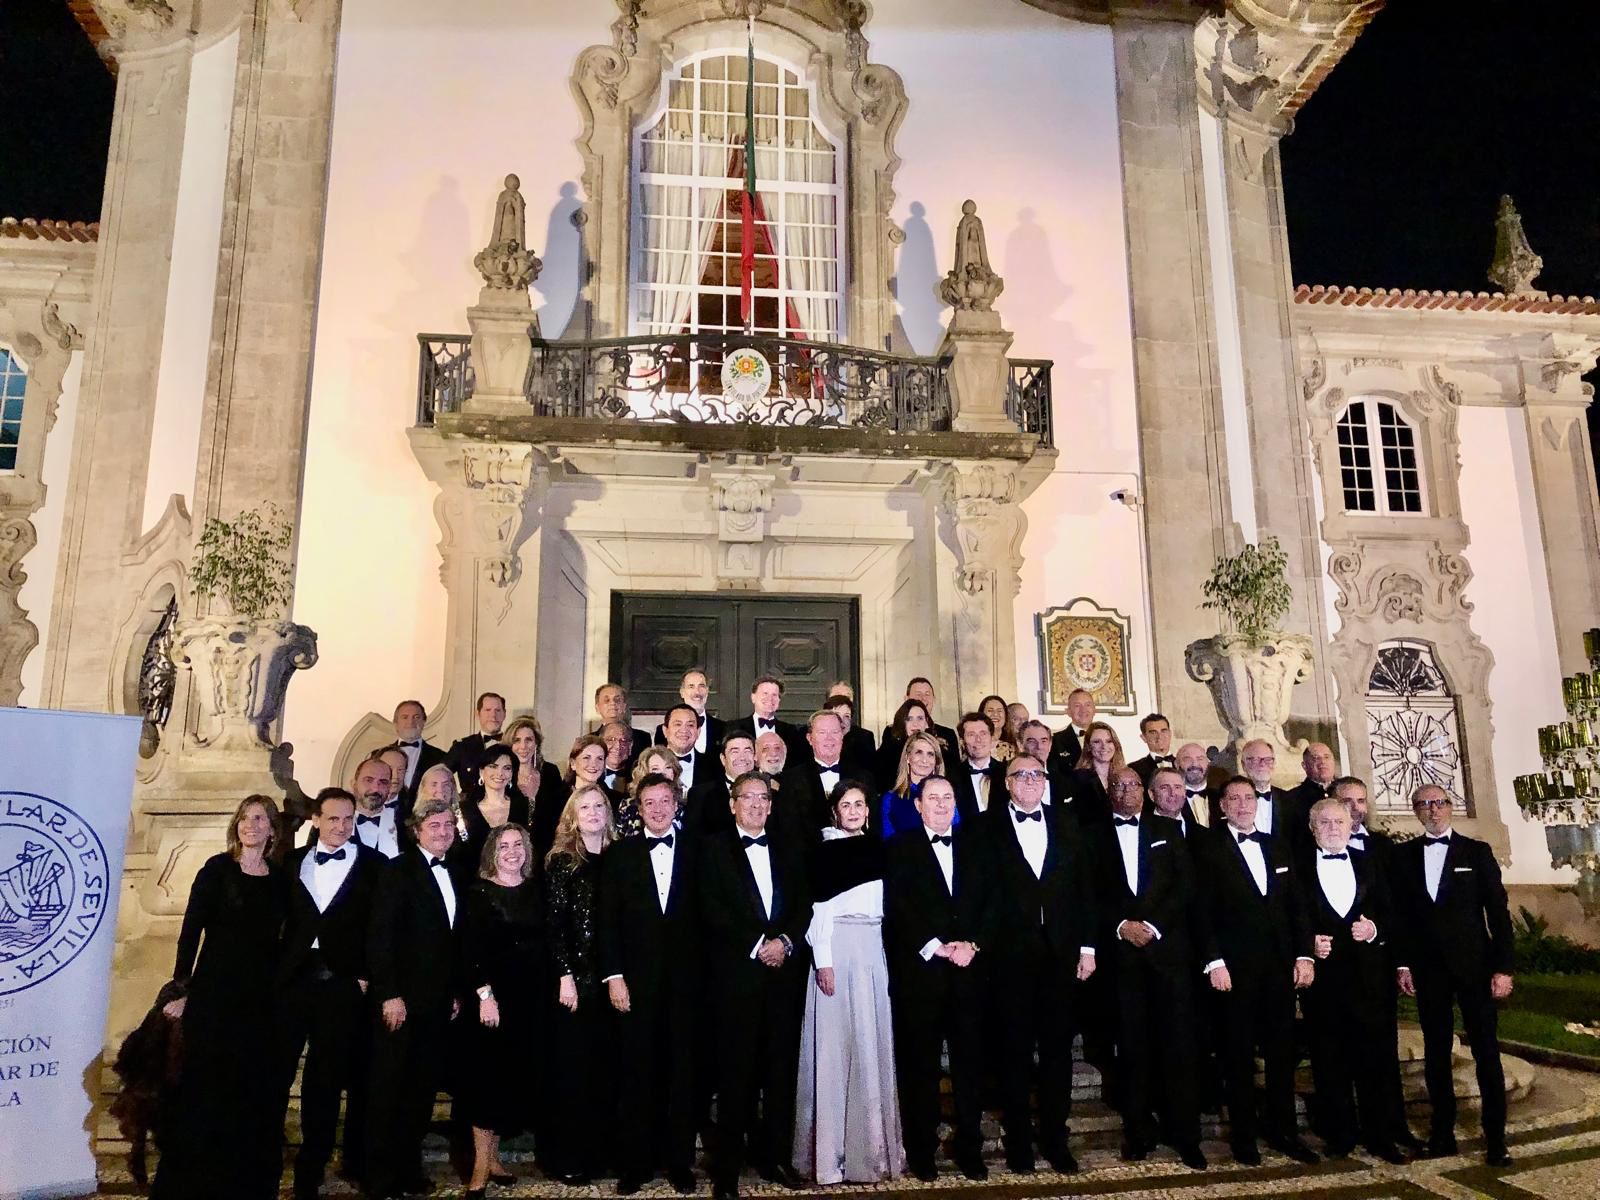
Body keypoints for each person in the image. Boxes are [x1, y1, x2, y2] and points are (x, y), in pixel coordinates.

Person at [151, 796, 288, 1200]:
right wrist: (181, 989)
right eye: (245, 818)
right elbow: (191, 931)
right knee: (204, 1087)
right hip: (214, 994)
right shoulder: (216, 869)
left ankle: (237, 1180)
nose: (250, 824)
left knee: (247, 1089)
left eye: (259, 818)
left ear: (272, 829)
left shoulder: (280, 880)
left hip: (259, 999)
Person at [1193, 777, 1318, 1166]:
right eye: (1235, 798)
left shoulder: (1277, 844)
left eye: (1249, 798)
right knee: (1238, 1057)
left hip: (1279, 971)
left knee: (1281, 1057)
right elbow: (1200, 911)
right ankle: (1244, 1138)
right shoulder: (1206, 847)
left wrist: (1304, 956)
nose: (1244, 804)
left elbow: (1297, 908)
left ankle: (1284, 1133)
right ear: (1223, 806)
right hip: (1234, 972)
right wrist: (1214, 961)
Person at [697, 772, 810, 1199]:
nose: (757, 806)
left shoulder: (788, 845)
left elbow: (803, 904)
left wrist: (784, 942)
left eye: (764, 798)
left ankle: (775, 1157)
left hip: (783, 977)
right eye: (748, 798)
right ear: (732, 804)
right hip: (735, 980)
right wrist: (755, 944)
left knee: (780, 1073)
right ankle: (726, 1169)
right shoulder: (712, 850)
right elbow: (711, 908)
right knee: (735, 1076)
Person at [984, 755, 1097, 1175]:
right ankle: (1018, 1143)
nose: (1030, 781)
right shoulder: (986, 827)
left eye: (1037, 774)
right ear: (1008, 783)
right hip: (1010, 957)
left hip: (1061, 956)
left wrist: (1088, 948)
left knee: (1056, 1054)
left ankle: (1054, 1137)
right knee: (1012, 1054)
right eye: (1021, 775)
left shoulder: (1068, 823)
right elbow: (982, 895)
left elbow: (1085, 890)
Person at [1391, 784, 1515, 1166]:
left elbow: (1498, 914)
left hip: (1475, 970)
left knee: (1486, 1052)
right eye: (1423, 804)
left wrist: (1503, 967)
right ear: (1416, 811)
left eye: (1439, 803)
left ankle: (1496, 1138)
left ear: (1451, 807)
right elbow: (1400, 919)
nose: (1432, 810)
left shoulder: (1476, 853)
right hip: (1429, 972)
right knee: (1436, 1053)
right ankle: (1443, 1132)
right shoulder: (1403, 857)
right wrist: (1403, 964)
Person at [1090, 767, 1206, 1170]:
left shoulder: (1170, 829)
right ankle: (1138, 1132)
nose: (1126, 790)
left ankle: (1186, 1135)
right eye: (1118, 785)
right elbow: (1088, 892)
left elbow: (1185, 887)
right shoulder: (1093, 833)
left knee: (1178, 1048)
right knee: (1132, 1050)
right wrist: (1122, 926)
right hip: (1121, 960)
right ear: (1110, 791)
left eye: (1133, 785)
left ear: (1145, 791)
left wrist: (1153, 927)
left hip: (1168, 956)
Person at [277, 788, 385, 1200]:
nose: (341, 827)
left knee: (324, 1082)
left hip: (343, 986)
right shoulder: (290, 864)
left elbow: (378, 930)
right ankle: (265, 1160)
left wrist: (363, 976)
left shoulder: (374, 867)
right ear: (317, 820)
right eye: (333, 819)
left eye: (348, 819)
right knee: (278, 1073)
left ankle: (312, 1165)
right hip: (293, 983)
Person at [883, 775, 993, 1182]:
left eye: (948, 798)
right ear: (918, 806)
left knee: (969, 1067)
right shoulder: (898, 848)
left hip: (969, 973)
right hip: (923, 974)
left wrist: (973, 944)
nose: (942, 804)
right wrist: (934, 946)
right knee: (920, 1068)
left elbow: (992, 902)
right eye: (934, 798)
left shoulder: (977, 846)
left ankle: (970, 1148)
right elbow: (898, 907)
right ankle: (922, 1149)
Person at [793, 781, 903, 1185]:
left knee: (869, 1045)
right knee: (835, 1049)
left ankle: (867, 1154)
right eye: (846, 804)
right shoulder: (825, 850)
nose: (854, 810)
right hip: (837, 949)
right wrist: (824, 961)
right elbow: (818, 908)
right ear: (834, 811)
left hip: (872, 950)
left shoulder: (879, 848)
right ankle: (831, 1157)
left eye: (860, 804)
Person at [364, 797, 472, 1200]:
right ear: (418, 831)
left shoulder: (458, 873)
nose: (443, 832)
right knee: (387, 1090)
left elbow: (456, 941)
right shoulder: (398, 870)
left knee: (420, 1094)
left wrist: (458, 993)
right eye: (435, 826)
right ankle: (378, 1176)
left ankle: (409, 1170)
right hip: (401, 1001)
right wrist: (389, 993)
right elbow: (381, 936)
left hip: (439, 1003)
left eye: (448, 825)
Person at [600, 775, 700, 1196]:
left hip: (686, 985)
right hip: (635, 984)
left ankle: (679, 1164)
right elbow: (607, 922)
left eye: (664, 801)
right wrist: (614, 976)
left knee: (682, 1076)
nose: (657, 809)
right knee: (636, 1074)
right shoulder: (619, 855)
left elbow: (710, 918)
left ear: (676, 804)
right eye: (649, 803)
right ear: (638, 809)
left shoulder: (699, 851)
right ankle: (635, 1166)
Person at [1299, 798, 1404, 1163]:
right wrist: (1308, 942)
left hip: (1369, 981)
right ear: (1313, 829)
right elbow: (1287, 916)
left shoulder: (1370, 863)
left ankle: (1381, 1137)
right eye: (1324, 822)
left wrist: (1374, 928)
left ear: (1350, 826)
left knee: (1374, 1062)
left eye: (1338, 822)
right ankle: (1340, 1135)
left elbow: (1394, 914)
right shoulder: (1297, 869)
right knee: (1329, 1061)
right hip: (1323, 984)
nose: (1332, 828)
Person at [459, 823, 546, 1198]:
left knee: (509, 1081)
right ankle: (479, 1164)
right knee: (485, 1083)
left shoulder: (535, 891)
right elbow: (469, 949)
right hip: (491, 1001)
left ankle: (494, 1158)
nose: (512, 851)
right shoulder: (478, 893)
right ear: (492, 852)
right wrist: (484, 995)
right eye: (504, 846)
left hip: (528, 1001)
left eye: (518, 844)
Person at [544, 785, 619, 1184]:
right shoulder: (561, 861)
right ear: (572, 815)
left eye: (598, 806)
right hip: (575, 980)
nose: (592, 812)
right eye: (584, 806)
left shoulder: (621, 856)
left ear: (608, 812)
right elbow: (554, 927)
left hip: (613, 979)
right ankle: (568, 1156)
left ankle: (600, 1153)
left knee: (605, 1070)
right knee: (573, 1072)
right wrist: (564, 975)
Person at [778, 709, 848, 842]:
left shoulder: (863, 777)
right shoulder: (791, 779)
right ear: (809, 738)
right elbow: (788, 829)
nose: (829, 738)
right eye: (822, 733)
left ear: (842, 736)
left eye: (835, 732)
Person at [459, 744, 529, 866]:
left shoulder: (526, 806)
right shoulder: (464, 810)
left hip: (518, 879)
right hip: (475, 881)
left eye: (506, 768)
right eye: (493, 766)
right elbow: (461, 854)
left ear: (512, 773)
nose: (500, 773)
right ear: (481, 771)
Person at [506, 715, 563, 861]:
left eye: (528, 740)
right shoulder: (503, 777)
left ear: (536, 743)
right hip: (513, 855)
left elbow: (560, 813)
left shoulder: (550, 772)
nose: (523, 746)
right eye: (517, 740)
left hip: (547, 853)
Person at [683, 731, 752, 835]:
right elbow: (692, 839)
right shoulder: (700, 794)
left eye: (747, 751)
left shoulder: (770, 792)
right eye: (735, 751)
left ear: (755, 757)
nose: (742, 757)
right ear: (723, 759)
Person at [880, 731, 945, 838]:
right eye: (919, 752)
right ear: (908, 758)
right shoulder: (890, 799)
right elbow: (888, 842)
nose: (925, 760)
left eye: (930, 754)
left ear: (936, 761)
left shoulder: (947, 796)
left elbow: (956, 833)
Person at [653, 667, 725, 756]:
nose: (697, 692)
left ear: (707, 691)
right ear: (682, 692)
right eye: (691, 686)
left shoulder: (723, 728)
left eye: (701, 686)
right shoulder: (663, 731)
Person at [390, 699, 447, 812]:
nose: (411, 722)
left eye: (416, 717)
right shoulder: (379, 755)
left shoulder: (440, 757)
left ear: (424, 722)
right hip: (387, 822)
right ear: (395, 723)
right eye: (405, 717)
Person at [619, 744, 687, 837]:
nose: (663, 773)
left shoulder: (686, 805)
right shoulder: (629, 807)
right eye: (655, 768)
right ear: (644, 772)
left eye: (668, 767)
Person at [1239, 739, 1301, 842]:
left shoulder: (1290, 800)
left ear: (1274, 763)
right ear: (1243, 765)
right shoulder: (1234, 802)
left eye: (1267, 759)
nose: (1262, 764)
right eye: (1255, 760)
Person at [879, 677, 958, 759]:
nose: (923, 699)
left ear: (934, 699)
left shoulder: (948, 734)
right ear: (907, 699)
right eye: (918, 694)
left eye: (927, 694)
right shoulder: (892, 733)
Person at [949, 711, 1005, 822]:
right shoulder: (951, 776)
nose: (978, 740)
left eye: (983, 733)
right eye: (971, 734)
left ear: (992, 738)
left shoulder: (1007, 772)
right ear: (961, 741)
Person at [447, 691, 509, 788]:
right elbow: (439, 774)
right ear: (477, 714)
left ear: (504, 714)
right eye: (488, 710)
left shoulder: (514, 745)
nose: (493, 715)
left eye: (498, 710)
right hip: (471, 802)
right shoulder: (462, 746)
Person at [348, 754, 404, 858]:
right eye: (369, 780)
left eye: (383, 782)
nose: (375, 789)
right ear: (354, 784)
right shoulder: (330, 823)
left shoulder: (403, 826)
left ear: (389, 787)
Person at [1070, 721, 1126, 825]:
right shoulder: (1077, 779)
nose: (1104, 747)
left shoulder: (1125, 777)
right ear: (1088, 746)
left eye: (1109, 741)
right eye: (1097, 742)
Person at [728, 674, 802, 753]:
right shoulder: (734, 728)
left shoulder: (791, 731)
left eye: (774, 695)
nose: (770, 699)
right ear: (753, 698)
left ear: (779, 700)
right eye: (765, 693)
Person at [874, 697, 933, 792]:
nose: (915, 724)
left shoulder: (936, 748)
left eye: (920, 718)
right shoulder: (889, 752)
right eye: (909, 719)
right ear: (902, 722)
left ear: (927, 722)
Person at [558, 734, 616, 821]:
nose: (594, 764)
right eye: (586, 758)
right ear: (573, 763)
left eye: (599, 758)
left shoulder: (615, 800)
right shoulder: (554, 799)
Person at [1019, 720, 1074, 810]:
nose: (1039, 746)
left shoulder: (1065, 779)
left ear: (1050, 745)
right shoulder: (1007, 779)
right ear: (1020, 744)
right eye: (1032, 741)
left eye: (1043, 741)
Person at [593, 682, 651, 764]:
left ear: (624, 706)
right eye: (607, 700)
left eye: (617, 700)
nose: (612, 703)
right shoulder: (590, 739)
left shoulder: (642, 738)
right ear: (597, 708)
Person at [823, 692, 875, 775]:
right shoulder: (815, 740)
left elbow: (868, 774)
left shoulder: (862, 740)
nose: (842, 720)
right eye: (837, 715)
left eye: (847, 716)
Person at [1145, 767, 1203, 839]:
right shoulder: (1141, 830)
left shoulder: (1202, 833)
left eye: (1177, 787)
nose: (1172, 793)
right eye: (1164, 787)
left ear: (1185, 792)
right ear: (1151, 794)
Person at [659, 703, 704, 791]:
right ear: (665, 730)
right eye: (678, 724)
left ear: (698, 732)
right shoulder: (649, 764)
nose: (684, 730)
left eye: (690, 725)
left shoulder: (714, 766)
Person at [1049, 688, 1096, 770]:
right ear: (1068, 712)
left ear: (1095, 710)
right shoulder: (1055, 741)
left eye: (1088, 705)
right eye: (1077, 705)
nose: (1083, 709)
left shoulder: (1107, 738)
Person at [1289, 743, 1340, 813]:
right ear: (1304, 766)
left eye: (1326, 757)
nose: (1322, 761)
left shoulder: (1345, 790)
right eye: (1316, 758)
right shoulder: (1292, 799)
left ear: (1333, 761)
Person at [1127, 713, 1176, 786]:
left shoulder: (1183, 765)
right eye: (1153, 732)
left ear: (1170, 734)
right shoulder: (1133, 769)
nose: (1159, 736)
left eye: (1163, 731)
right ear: (1144, 737)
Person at [1175, 742, 1216, 828]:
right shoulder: (1171, 800)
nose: (1194, 764)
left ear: (1207, 763)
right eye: (1187, 759)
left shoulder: (1222, 797)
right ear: (1176, 764)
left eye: (1200, 759)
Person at [980, 694, 1016, 761]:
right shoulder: (974, 743)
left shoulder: (1015, 744)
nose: (995, 714)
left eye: (999, 711)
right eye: (990, 710)